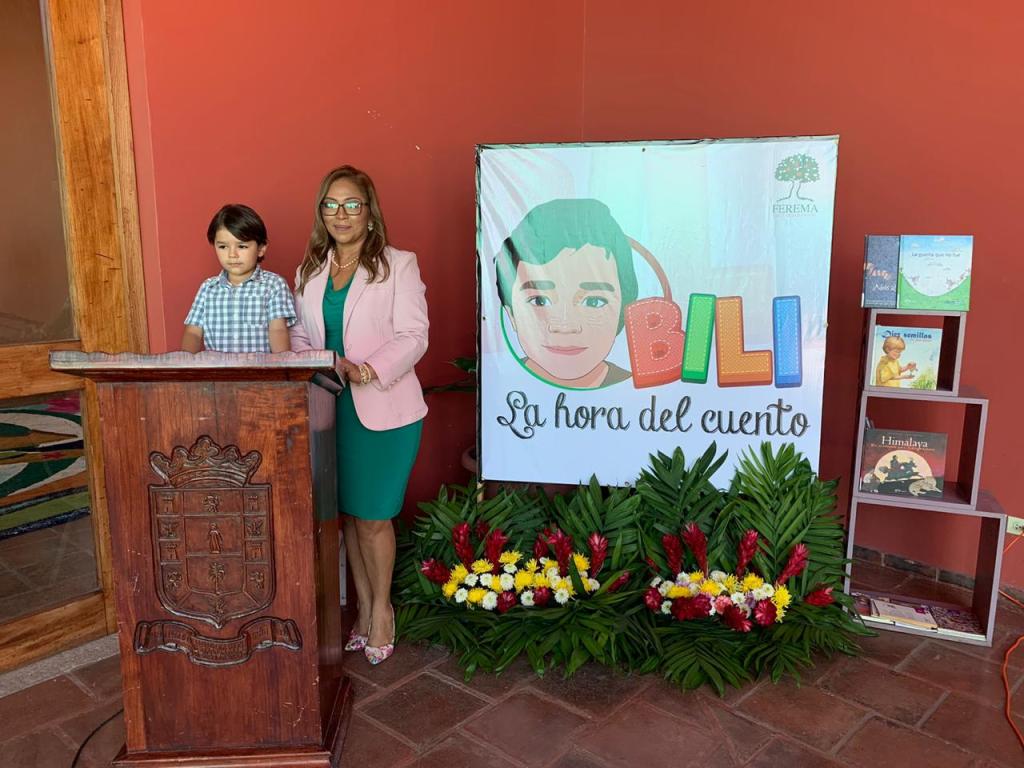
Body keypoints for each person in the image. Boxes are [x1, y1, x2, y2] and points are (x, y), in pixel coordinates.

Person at [290, 165, 428, 665]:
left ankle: (382, 612)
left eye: (352, 204)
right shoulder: (309, 272)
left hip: (383, 409)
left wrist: (367, 369)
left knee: (373, 517)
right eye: (331, 204)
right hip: (329, 409)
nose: (341, 214)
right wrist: (322, 366)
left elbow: (414, 336)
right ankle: (362, 611)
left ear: (370, 212)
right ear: (321, 213)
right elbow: (302, 337)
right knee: (348, 516)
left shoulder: (398, 265)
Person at [495, 198, 638, 388]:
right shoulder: (499, 388)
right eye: (539, 300)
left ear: (622, 311)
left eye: (594, 301)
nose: (565, 325)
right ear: (511, 314)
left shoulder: (635, 392)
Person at [181, 204, 296, 353]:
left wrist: (282, 370)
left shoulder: (274, 285)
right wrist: (186, 366)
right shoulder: (208, 288)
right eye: (223, 247)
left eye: (242, 246)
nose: (232, 255)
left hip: (261, 372)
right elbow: (193, 333)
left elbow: (278, 330)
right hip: (219, 373)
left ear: (261, 248)